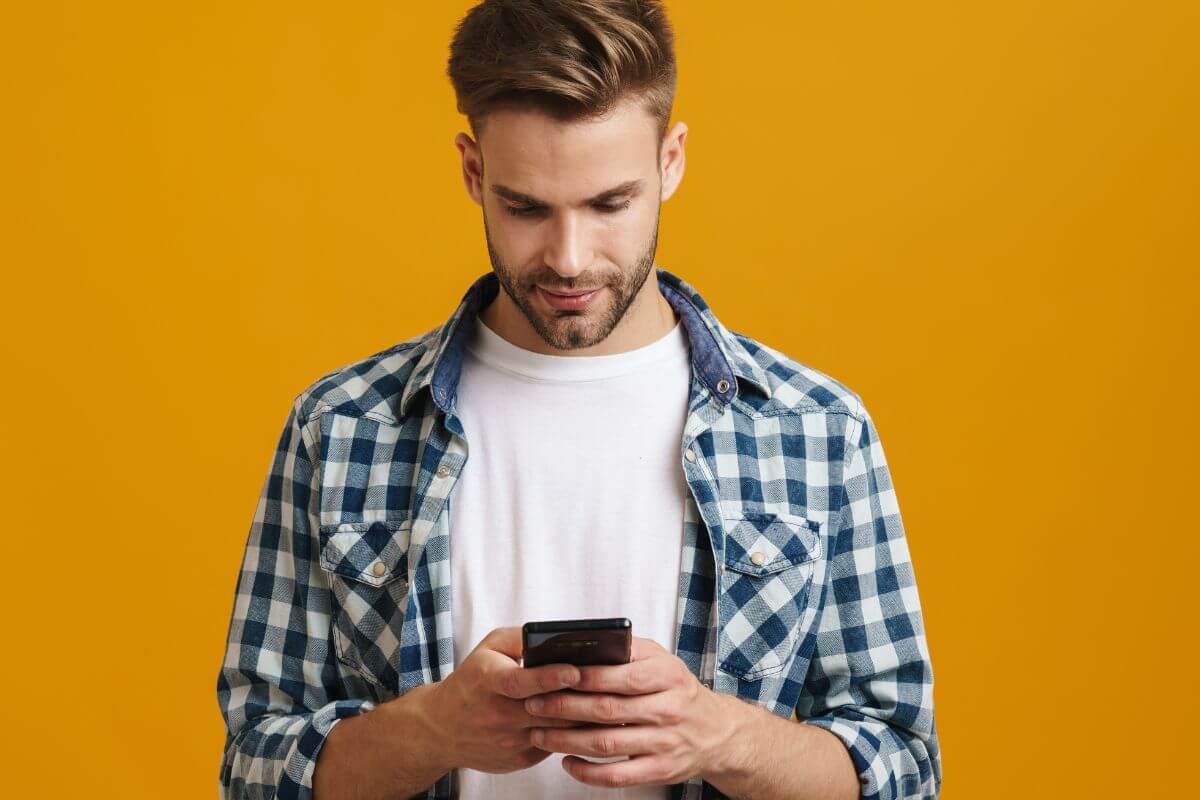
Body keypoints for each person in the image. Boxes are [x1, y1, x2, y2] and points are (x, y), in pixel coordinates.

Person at [215, 1, 942, 798]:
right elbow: (254, 768)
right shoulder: (342, 430)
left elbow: (905, 770)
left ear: (671, 161)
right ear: (472, 171)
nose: (568, 258)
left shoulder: (816, 433)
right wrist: (433, 731)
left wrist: (721, 736)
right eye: (526, 207)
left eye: (609, 204)